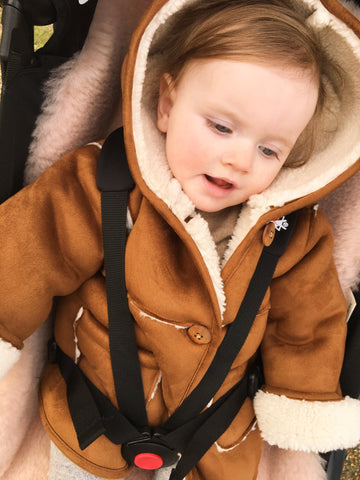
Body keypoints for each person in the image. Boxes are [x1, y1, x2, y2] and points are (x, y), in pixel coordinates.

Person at [0, 0, 360, 479]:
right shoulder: (100, 187)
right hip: (88, 421)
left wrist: (304, 405)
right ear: (167, 106)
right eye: (221, 127)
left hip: (216, 443)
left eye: (269, 149)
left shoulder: (293, 237)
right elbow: (25, 259)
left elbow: (307, 332)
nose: (239, 159)